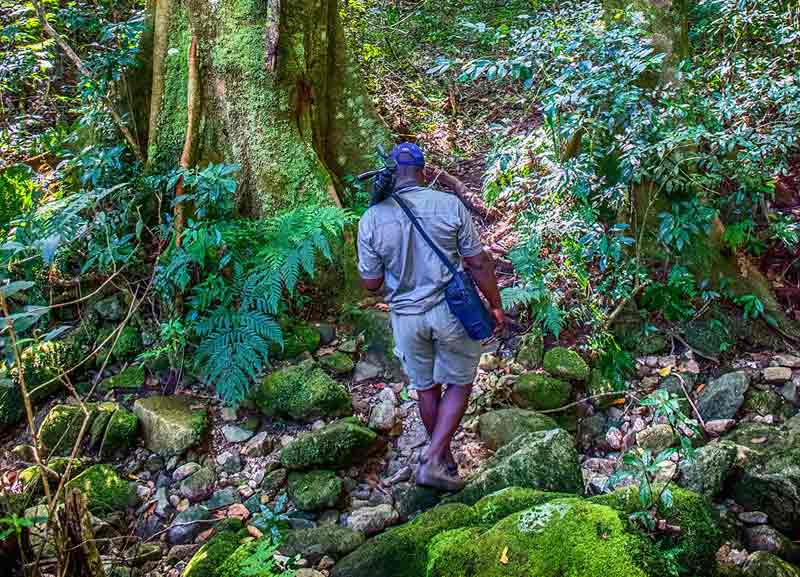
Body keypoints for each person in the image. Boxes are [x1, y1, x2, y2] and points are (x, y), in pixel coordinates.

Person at [356, 142, 505, 492]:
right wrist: (494, 303)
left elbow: (371, 282)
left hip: (406, 319)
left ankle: (442, 457)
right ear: (423, 172)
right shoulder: (448, 205)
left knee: (426, 388)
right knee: (460, 383)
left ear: (390, 176)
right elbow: (477, 262)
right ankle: (431, 459)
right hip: (449, 312)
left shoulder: (372, 218)